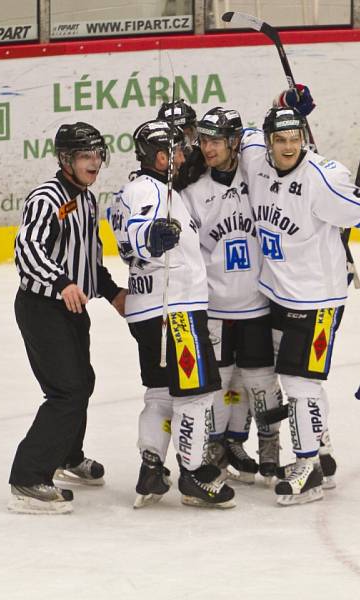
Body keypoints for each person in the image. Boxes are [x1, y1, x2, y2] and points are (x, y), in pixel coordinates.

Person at [239, 106, 360, 505]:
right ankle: (321, 448)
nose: (289, 146)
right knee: (299, 379)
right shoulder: (254, 157)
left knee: (298, 383)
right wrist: (286, 98)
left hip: (318, 301)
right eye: (281, 139)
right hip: (275, 292)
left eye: (296, 138)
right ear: (269, 140)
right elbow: (233, 137)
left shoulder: (323, 179)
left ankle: (307, 467)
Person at [109, 118, 235, 509]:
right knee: (195, 395)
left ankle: (151, 469)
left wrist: (143, 241)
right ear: (162, 156)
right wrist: (152, 239)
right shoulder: (152, 190)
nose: (185, 155)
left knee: (160, 392)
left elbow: (125, 236)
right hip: (175, 311)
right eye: (178, 150)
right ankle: (194, 474)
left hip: (149, 312)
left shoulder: (130, 190)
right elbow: (140, 233)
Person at [9, 122, 126, 514]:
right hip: (42, 308)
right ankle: (28, 477)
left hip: (71, 309)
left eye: (97, 155)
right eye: (84, 156)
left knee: (82, 382)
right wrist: (60, 282)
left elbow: (90, 259)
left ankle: (67, 454)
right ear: (65, 160)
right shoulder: (48, 198)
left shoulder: (88, 201)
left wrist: (112, 294)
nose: (94, 162)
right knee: (67, 390)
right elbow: (26, 248)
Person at [180, 106, 283, 484]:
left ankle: (270, 451)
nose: (208, 147)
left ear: (235, 142)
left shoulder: (258, 178)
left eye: (217, 140)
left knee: (262, 383)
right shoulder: (193, 193)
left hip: (257, 305)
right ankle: (216, 448)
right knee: (219, 384)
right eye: (204, 140)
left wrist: (284, 109)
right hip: (216, 310)